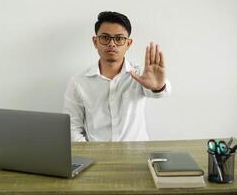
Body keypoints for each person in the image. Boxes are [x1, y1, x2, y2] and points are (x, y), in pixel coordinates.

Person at [63, 11, 171, 142]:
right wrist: (90, 153)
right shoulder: (79, 82)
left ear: (128, 43)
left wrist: (158, 87)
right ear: (95, 41)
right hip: (96, 156)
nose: (112, 44)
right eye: (105, 38)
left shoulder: (140, 75)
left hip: (137, 154)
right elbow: (72, 128)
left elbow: (158, 92)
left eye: (119, 38)